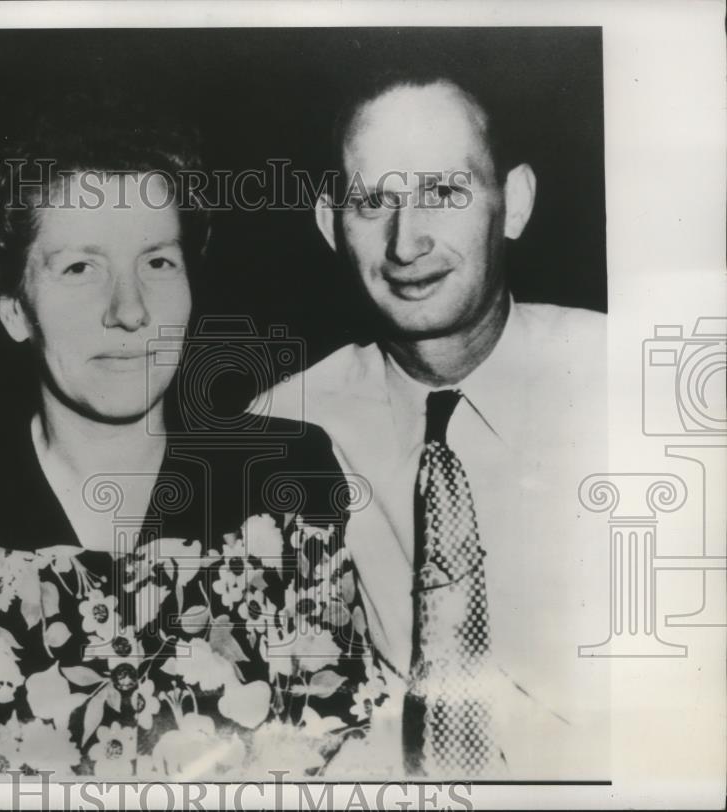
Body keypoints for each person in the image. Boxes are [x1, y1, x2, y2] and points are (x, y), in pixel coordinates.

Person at [0, 102, 387, 778]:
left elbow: (337, 755)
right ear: (13, 306)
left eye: (158, 262)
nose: (129, 311)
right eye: (80, 268)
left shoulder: (285, 476)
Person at [254, 67, 609, 778]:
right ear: (330, 225)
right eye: (371, 202)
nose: (406, 241)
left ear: (514, 203)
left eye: (444, 192)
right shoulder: (277, 432)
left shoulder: (630, 386)